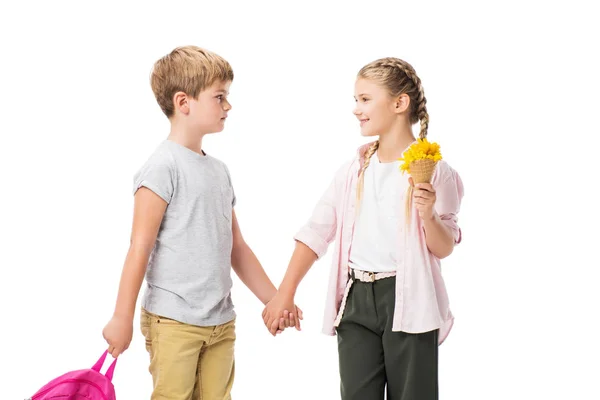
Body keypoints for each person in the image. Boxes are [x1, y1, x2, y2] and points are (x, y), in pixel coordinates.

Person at [102, 45, 301, 400]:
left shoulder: (219, 171)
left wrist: (274, 299)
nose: (228, 106)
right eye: (220, 96)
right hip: (174, 322)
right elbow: (140, 247)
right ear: (184, 103)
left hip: (220, 322)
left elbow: (236, 247)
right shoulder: (162, 167)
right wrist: (122, 317)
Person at [262, 57, 464, 400]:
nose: (356, 109)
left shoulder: (436, 172)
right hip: (356, 298)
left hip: (409, 297)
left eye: (365, 99)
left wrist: (428, 215)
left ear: (400, 103)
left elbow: (444, 247)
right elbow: (317, 230)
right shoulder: (353, 170)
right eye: (356, 100)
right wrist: (286, 291)